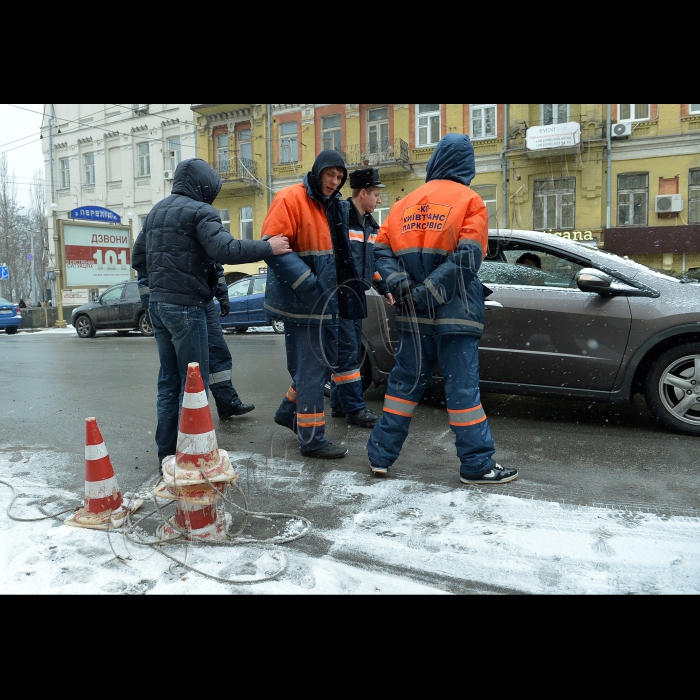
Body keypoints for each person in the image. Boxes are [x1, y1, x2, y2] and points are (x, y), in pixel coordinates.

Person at [367, 133, 518, 485]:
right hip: (455, 315)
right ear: (467, 167)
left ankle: (379, 456)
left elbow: (380, 251)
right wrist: (432, 291)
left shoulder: (404, 204)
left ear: (435, 162)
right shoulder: (470, 201)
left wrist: (402, 286)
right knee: (462, 392)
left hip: (412, 318)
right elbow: (469, 258)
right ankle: (477, 466)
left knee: (403, 388)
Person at [132, 157, 290, 466]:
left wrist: (160, 285)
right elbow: (225, 250)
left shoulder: (155, 212)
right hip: (187, 307)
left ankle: (166, 454)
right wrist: (268, 247)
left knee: (169, 382)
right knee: (194, 384)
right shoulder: (201, 210)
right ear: (203, 186)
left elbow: (139, 258)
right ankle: (188, 455)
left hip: (159, 306)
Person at [262, 150, 365, 459]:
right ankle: (312, 439)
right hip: (304, 303)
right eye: (330, 175)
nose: (334, 181)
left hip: (328, 301)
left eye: (339, 177)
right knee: (311, 369)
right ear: (318, 171)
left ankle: (287, 412)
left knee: (325, 364)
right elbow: (273, 246)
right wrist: (308, 284)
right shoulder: (290, 198)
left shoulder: (333, 205)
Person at [135, 263, 255, 422]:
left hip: (203, 299)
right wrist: (148, 305)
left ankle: (227, 402)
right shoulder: (153, 239)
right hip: (179, 300)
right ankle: (187, 426)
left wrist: (222, 294)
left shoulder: (200, 238)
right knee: (189, 366)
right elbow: (143, 270)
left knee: (217, 352)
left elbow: (214, 265)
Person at [330, 167, 395, 427]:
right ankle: (355, 409)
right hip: (341, 293)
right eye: (377, 194)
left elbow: (369, 264)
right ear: (363, 193)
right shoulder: (341, 217)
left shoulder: (369, 223)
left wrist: (383, 287)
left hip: (356, 294)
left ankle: (338, 404)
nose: (379, 200)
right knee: (348, 353)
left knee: (347, 351)